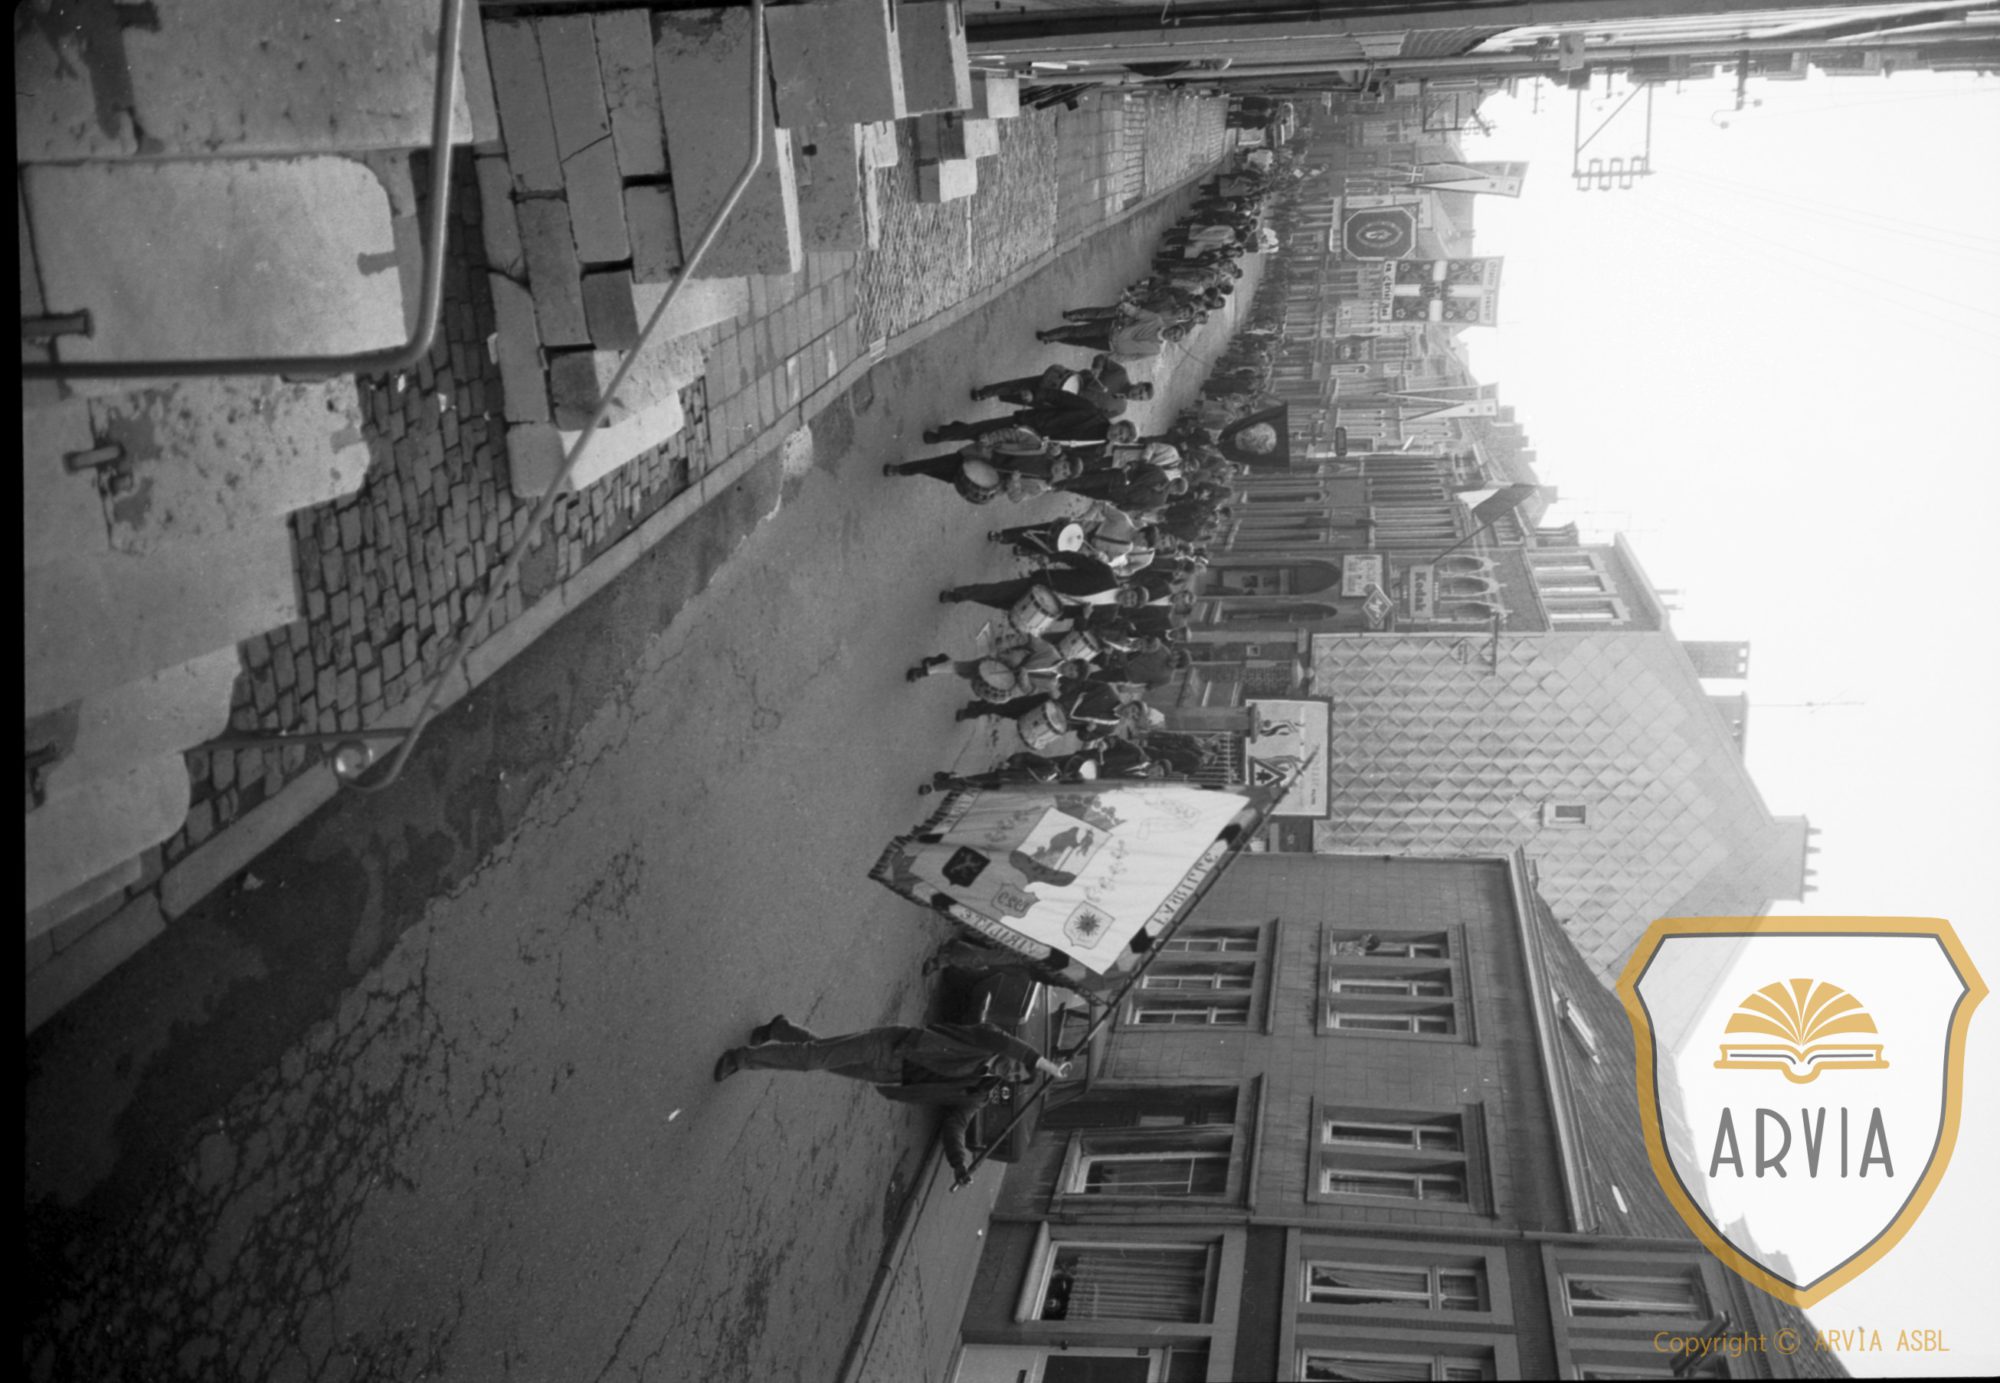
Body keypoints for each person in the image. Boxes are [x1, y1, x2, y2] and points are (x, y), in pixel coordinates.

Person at [714, 1016, 1072, 1187]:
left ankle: (780, 1029)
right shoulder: (985, 1040)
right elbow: (1006, 1042)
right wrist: (1043, 1063)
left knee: (823, 1057)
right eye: (1018, 1065)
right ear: (1018, 1055)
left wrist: (959, 1163)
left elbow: (956, 1124)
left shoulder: (980, 1089)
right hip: (890, 1045)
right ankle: (741, 1058)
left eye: (1016, 1076)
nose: (1012, 1070)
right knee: (813, 1059)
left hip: (888, 1074)